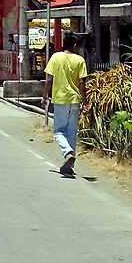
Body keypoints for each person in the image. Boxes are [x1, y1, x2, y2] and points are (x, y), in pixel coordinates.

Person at [45, 33, 89, 175]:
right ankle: (69, 165)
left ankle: (67, 153)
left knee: (58, 131)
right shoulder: (80, 60)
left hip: (60, 99)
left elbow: (49, 80)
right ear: (74, 45)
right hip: (74, 100)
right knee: (71, 132)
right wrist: (85, 101)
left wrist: (45, 95)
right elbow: (82, 83)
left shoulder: (55, 57)